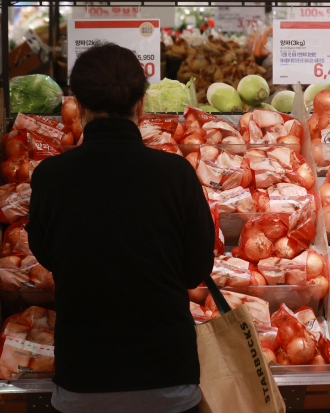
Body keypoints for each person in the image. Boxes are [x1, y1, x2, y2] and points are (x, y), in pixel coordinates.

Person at [26, 43, 215, 413]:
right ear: (141, 105)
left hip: (82, 384)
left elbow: (46, 254)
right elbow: (196, 270)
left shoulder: (51, 177)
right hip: (170, 385)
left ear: (78, 105)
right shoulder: (176, 174)